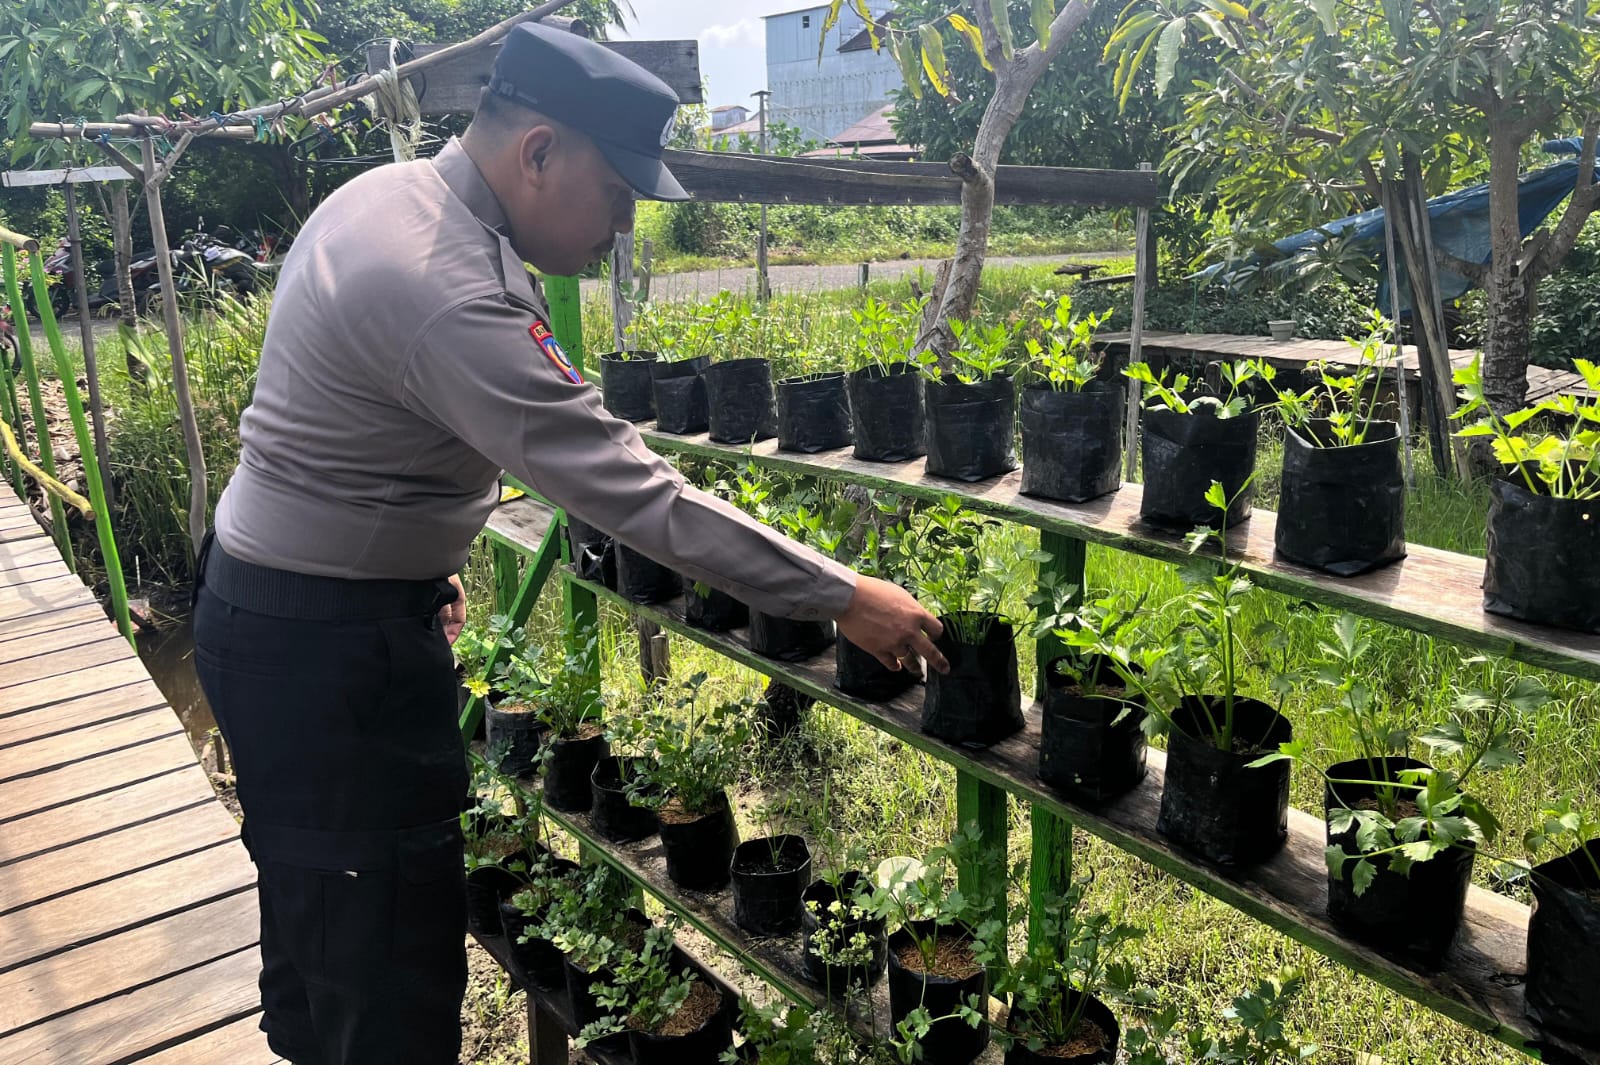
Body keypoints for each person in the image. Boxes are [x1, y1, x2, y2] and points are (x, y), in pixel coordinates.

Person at [193, 20, 948, 1065]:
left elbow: (351, 428)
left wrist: (412, 557)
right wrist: (841, 594)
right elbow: (638, 499)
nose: (626, 222)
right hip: (326, 661)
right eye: (618, 190)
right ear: (537, 153)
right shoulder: (449, 286)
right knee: (384, 966)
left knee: (322, 907)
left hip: (276, 609)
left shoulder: (388, 196)